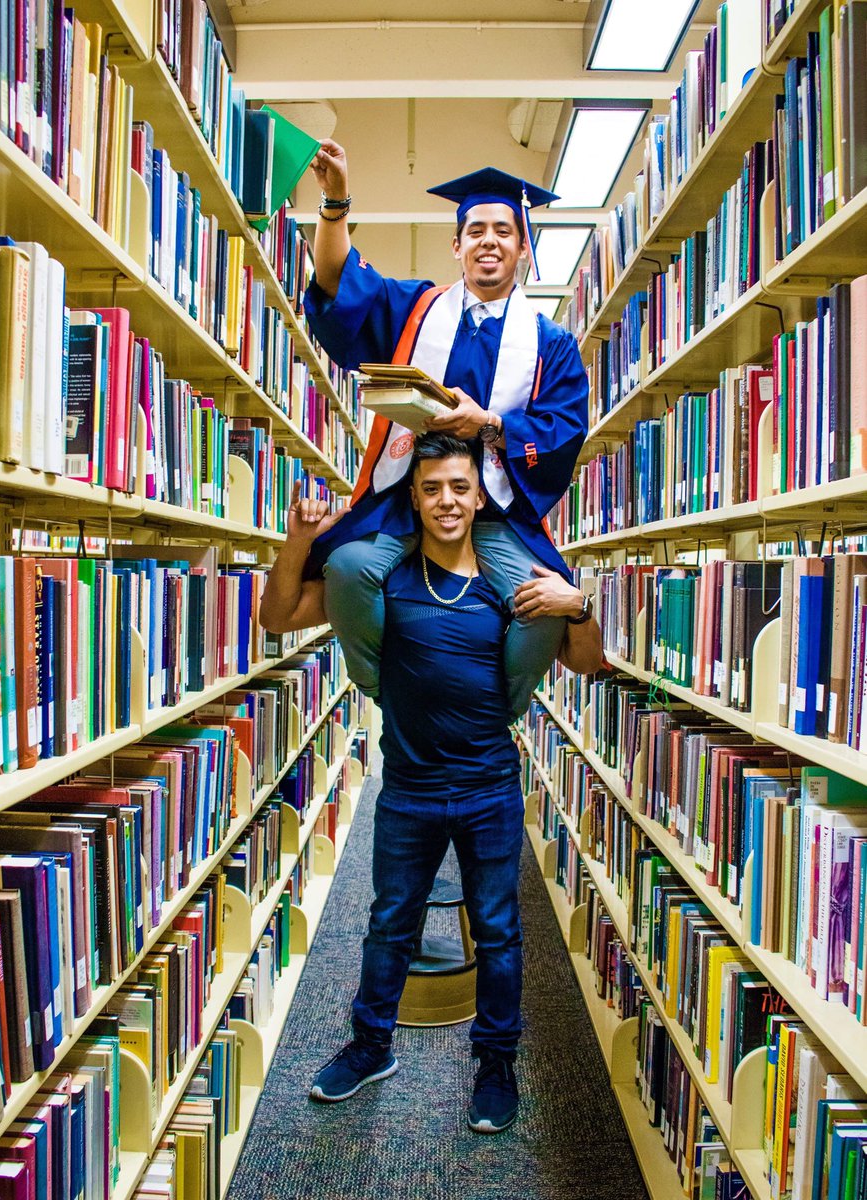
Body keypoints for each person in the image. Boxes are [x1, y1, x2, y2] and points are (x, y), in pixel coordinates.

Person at [261, 432, 602, 1135]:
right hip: (409, 787)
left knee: (500, 934)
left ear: (480, 497)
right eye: (431, 488)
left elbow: (589, 664)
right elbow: (276, 618)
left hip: (489, 787)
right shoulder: (381, 579)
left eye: (458, 487)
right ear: (412, 500)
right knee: (389, 925)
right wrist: (298, 538)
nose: (447, 501)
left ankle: (496, 1065)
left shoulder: (518, 588)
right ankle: (369, 1046)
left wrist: (579, 604)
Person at [301, 142, 591, 720]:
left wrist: (490, 423)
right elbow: (337, 286)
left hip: (490, 509)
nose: (490, 240)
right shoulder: (416, 310)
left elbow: (566, 428)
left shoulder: (549, 343)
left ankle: (492, 714)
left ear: (523, 249)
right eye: (476, 229)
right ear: (456, 245)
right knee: (347, 569)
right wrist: (335, 202)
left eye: (504, 231)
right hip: (408, 499)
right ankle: (387, 693)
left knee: (543, 606)